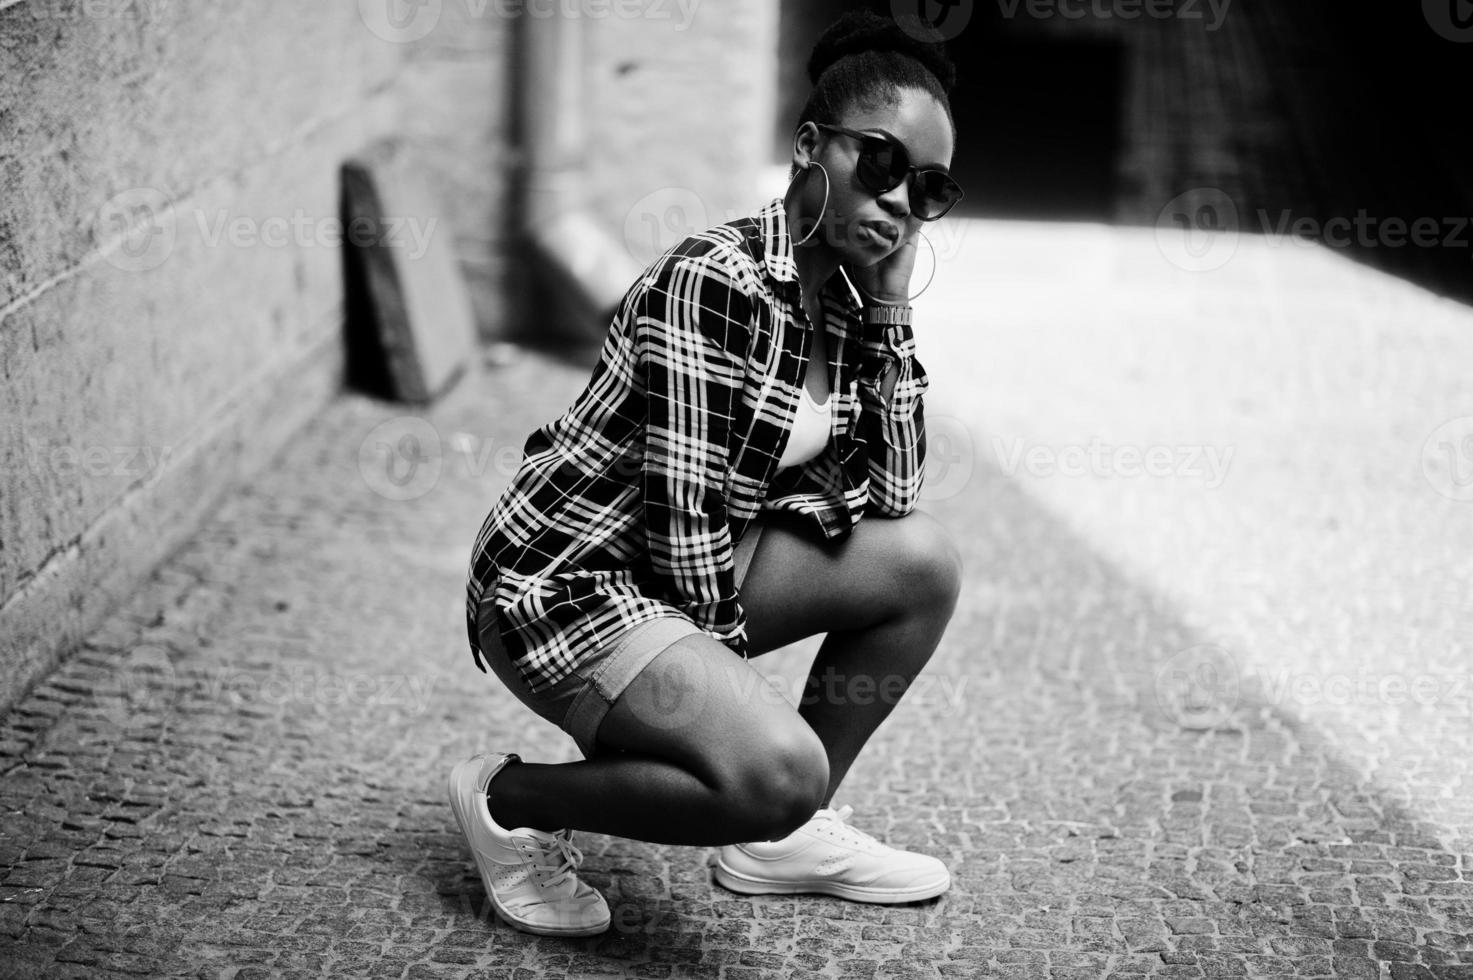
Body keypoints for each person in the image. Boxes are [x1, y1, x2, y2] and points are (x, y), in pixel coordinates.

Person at [448, 10, 967, 937]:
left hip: (680, 578)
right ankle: (510, 801)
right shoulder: (717, 279)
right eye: (880, 163)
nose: (896, 202)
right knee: (776, 769)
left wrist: (891, 311)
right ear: (811, 146)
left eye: (926, 190)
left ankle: (778, 836)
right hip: (567, 586)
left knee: (921, 564)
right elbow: (681, 516)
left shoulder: (847, 304)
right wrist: (720, 721)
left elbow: (890, 501)